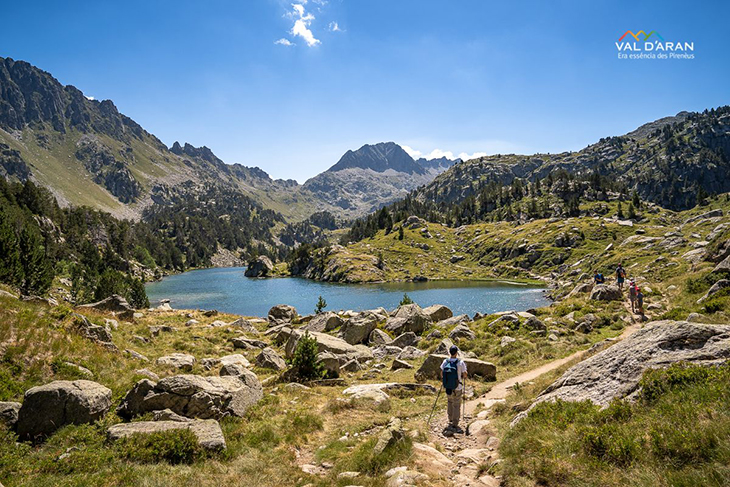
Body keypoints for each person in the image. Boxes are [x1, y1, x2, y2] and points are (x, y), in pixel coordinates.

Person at [441, 345, 468, 433]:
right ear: (456, 353)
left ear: (450, 352)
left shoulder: (445, 361)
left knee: (450, 402)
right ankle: (455, 423)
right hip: (457, 386)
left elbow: (441, 373)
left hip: (448, 386)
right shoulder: (460, 363)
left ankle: (450, 419)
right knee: (456, 404)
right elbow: (464, 375)